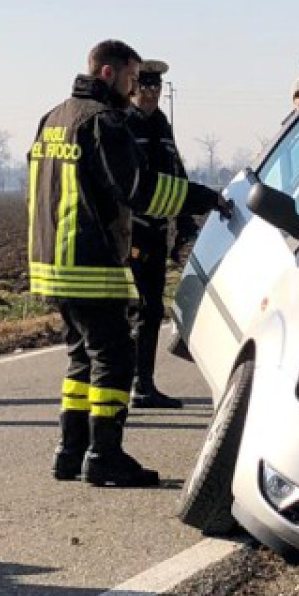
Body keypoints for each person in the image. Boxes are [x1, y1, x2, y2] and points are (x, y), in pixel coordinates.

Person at [29, 39, 230, 487]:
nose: (135, 86)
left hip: (51, 261)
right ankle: (105, 455)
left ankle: (70, 451)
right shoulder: (103, 122)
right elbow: (141, 190)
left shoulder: (55, 117)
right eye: (132, 78)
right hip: (90, 261)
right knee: (115, 358)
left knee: (82, 357)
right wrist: (203, 198)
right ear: (109, 74)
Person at [124, 59, 196, 410]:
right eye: (145, 87)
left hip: (155, 232)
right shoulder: (121, 123)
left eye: (157, 88)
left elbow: (176, 173)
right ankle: (128, 382)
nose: (152, 94)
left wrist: (184, 226)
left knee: (151, 310)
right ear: (132, 88)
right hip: (128, 234)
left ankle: (143, 383)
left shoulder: (161, 125)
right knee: (134, 310)